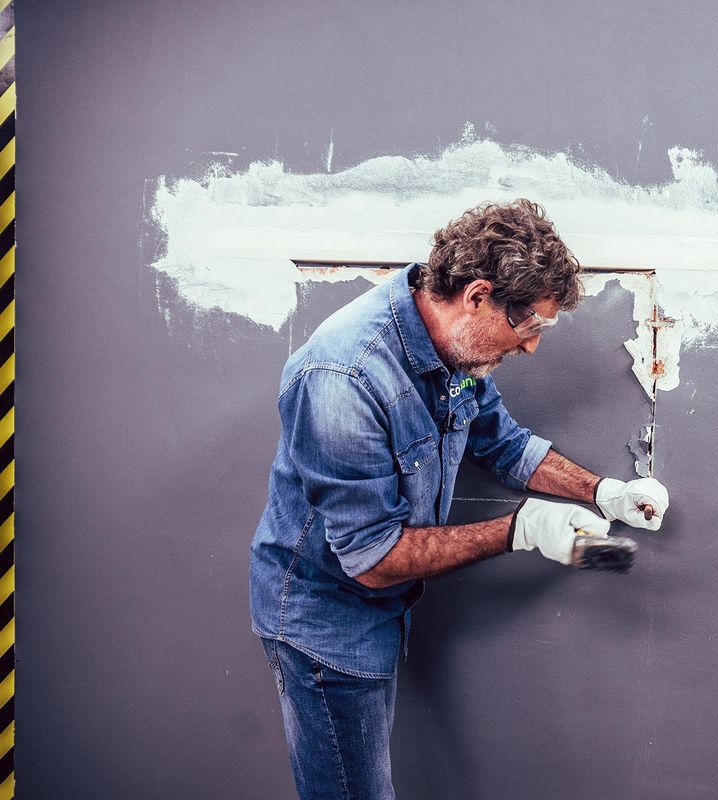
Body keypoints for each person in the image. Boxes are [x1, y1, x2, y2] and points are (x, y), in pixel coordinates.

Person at [249, 198, 670, 800]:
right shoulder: (343, 379)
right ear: (478, 296)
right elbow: (371, 560)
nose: (529, 348)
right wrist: (519, 530)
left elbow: (502, 443)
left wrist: (606, 493)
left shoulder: (454, 349)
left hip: (382, 601)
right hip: (327, 619)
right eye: (528, 328)